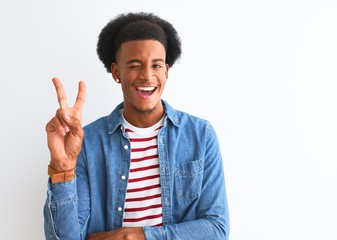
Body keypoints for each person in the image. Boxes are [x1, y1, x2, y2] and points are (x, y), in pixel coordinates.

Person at [43, 12, 229, 240]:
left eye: (156, 66)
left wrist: (137, 236)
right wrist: (62, 167)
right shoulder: (87, 142)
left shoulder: (200, 135)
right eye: (134, 65)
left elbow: (217, 230)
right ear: (116, 72)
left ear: (166, 71)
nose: (147, 76)